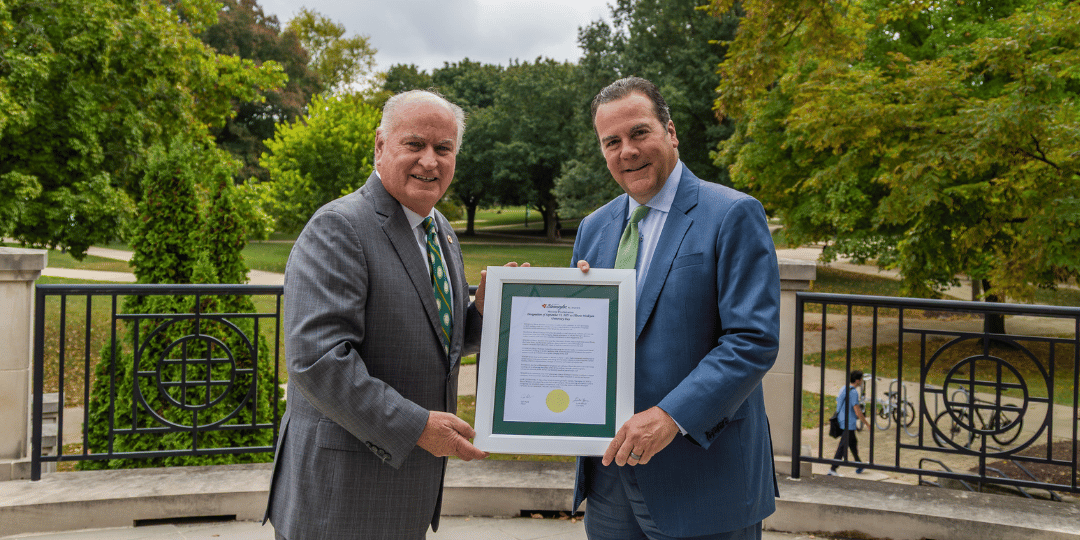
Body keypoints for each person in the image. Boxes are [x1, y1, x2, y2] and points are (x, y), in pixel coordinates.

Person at [265, 89, 507, 540]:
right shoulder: (339, 226)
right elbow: (317, 361)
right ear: (380, 146)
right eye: (414, 145)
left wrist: (483, 310)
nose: (430, 161)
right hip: (341, 498)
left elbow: (441, 338)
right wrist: (417, 427)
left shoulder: (441, 231)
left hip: (403, 491)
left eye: (444, 148)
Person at [572, 76, 781, 540]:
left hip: (706, 481)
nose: (627, 150)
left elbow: (753, 341)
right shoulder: (594, 228)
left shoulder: (733, 214)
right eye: (612, 141)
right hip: (609, 481)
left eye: (639, 132)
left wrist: (670, 417)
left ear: (670, 131)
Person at [829, 370, 868, 476]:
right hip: (848, 422)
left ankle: (859, 465)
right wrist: (866, 423)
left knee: (852, 443)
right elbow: (857, 410)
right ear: (857, 380)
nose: (862, 381)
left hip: (842, 420)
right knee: (843, 446)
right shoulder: (853, 392)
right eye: (861, 379)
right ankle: (833, 469)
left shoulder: (844, 388)